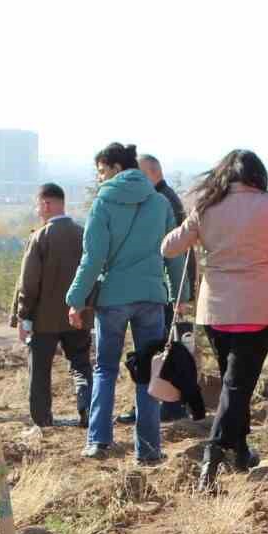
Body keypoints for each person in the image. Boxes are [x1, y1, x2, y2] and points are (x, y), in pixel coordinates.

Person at [161, 149, 268, 488]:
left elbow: (168, 248)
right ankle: (213, 454)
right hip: (257, 309)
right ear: (259, 175)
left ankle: (240, 451)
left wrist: (192, 227)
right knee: (237, 387)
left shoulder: (207, 207)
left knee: (232, 383)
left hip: (217, 311)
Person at [65, 143, 176, 463]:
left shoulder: (103, 203)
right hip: (152, 299)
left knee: (104, 370)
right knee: (148, 375)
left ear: (115, 168)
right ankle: (150, 451)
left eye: (101, 171)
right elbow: (173, 253)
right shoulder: (159, 202)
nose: (100, 179)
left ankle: (98, 442)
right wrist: (180, 297)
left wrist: (75, 299)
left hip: (112, 299)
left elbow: (93, 258)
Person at [11, 183, 91, 429]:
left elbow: (29, 283)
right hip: (78, 315)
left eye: (38, 205)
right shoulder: (83, 234)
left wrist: (23, 317)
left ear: (46, 203)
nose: (38, 211)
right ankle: (87, 406)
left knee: (40, 372)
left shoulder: (39, 238)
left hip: (43, 320)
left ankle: (43, 420)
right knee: (80, 364)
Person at [138, 153, 195, 422]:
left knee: (165, 351)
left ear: (152, 173)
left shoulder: (163, 202)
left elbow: (177, 253)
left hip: (169, 288)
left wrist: (179, 294)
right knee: (164, 349)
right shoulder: (164, 199)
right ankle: (164, 403)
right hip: (170, 288)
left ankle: (169, 405)